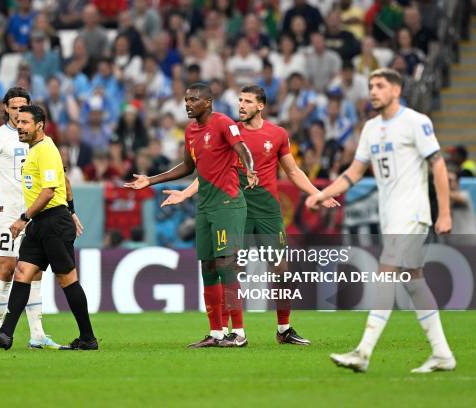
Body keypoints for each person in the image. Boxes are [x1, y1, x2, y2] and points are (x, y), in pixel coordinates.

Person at [161, 85, 339, 346]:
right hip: (235, 207)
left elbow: (293, 171)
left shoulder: (277, 134)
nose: (241, 105)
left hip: (267, 210)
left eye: (247, 101)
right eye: (239, 100)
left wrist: (319, 194)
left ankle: (284, 328)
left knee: (281, 270)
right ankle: (228, 331)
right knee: (226, 267)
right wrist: (186, 193)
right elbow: (209, 173)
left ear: (260, 106)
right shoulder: (227, 129)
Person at [306, 68, 456, 374]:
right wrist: (323, 193)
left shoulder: (416, 122)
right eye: (371, 86)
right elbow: (353, 173)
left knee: (386, 274)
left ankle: (363, 352)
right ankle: (442, 354)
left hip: (412, 212)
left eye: (380, 86)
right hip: (391, 214)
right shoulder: (371, 128)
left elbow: (438, 167)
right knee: (414, 282)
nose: (373, 91)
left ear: (396, 90)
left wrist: (444, 212)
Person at [125, 83, 258, 348]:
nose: (188, 104)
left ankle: (239, 333)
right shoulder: (191, 131)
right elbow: (188, 166)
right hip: (205, 206)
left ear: (208, 102)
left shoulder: (223, 123)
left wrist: (251, 170)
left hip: (228, 204)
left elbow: (242, 149)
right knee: (208, 268)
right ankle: (216, 333)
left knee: (226, 266)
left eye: (193, 99)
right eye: (186, 99)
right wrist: (150, 180)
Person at [0, 105, 95, 351]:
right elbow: (65, 182)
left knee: (67, 280)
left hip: (52, 222)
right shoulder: (34, 150)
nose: (20, 126)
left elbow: (50, 191)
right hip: (40, 223)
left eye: (25, 122)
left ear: (40, 125)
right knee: (22, 273)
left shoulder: (47, 151)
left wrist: (24, 218)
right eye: (18, 122)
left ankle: (88, 338)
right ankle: (5, 334)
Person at [0, 87, 60, 350]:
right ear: (5, 108)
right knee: (6, 268)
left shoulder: (37, 139)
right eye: (13, 107)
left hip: (34, 212)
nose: (17, 111)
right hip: (7, 212)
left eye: (22, 107)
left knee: (34, 272)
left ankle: (37, 334)